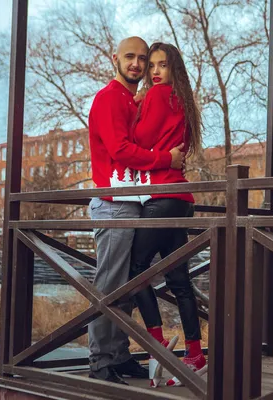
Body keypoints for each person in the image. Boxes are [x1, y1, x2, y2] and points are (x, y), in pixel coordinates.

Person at [87, 36, 185, 385]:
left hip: (134, 203)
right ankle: (100, 363)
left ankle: (119, 356)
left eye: (143, 59)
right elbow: (121, 151)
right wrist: (166, 159)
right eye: (130, 57)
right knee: (110, 284)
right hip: (113, 205)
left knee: (127, 284)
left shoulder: (132, 100)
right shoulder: (109, 98)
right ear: (115, 58)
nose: (138, 65)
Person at [129, 42, 205, 387]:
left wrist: (136, 107)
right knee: (179, 281)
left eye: (162, 65)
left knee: (135, 269)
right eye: (152, 66)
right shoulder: (184, 101)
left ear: (174, 69)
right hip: (180, 198)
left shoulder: (159, 96)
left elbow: (138, 138)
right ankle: (195, 354)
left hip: (161, 196)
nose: (155, 72)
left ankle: (157, 342)